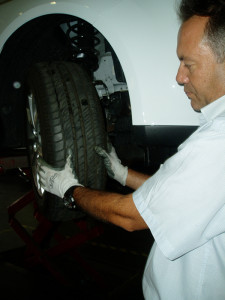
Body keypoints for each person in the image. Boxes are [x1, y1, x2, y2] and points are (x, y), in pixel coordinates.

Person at [37, 0, 225, 299]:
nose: (179, 78)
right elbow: (180, 195)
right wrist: (124, 174)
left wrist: (69, 189)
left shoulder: (218, 143)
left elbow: (130, 217)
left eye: (188, 64)